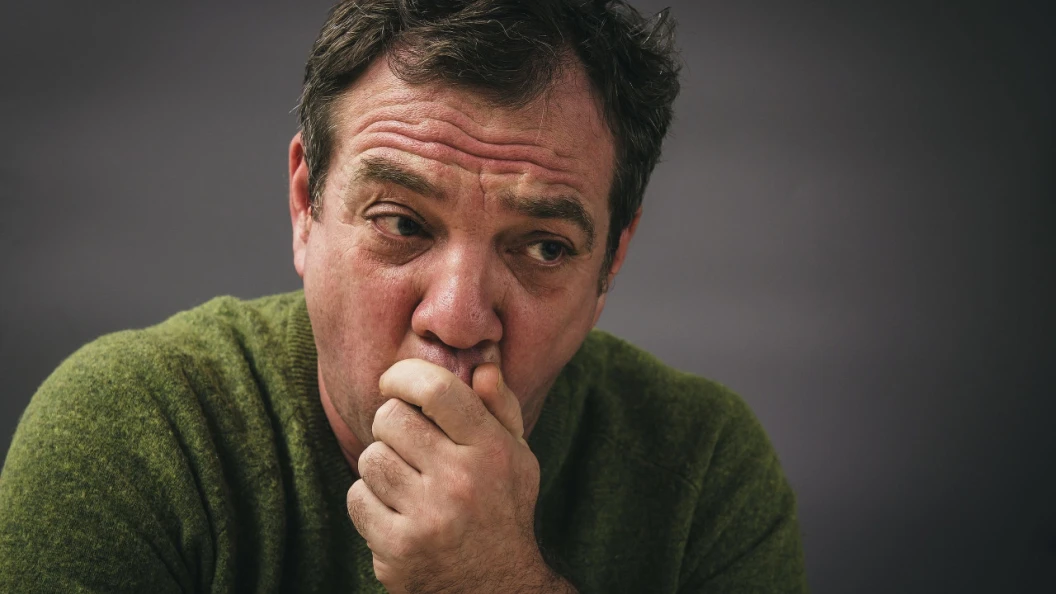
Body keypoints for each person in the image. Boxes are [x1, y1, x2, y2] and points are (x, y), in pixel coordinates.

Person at [0, 0, 808, 592]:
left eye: (544, 247)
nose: (456, 319)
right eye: (401, 223)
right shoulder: (133, 434)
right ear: (306, 206)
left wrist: (497, 583)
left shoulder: (703, 469)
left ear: (612, 263)